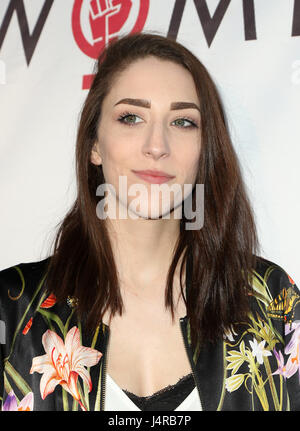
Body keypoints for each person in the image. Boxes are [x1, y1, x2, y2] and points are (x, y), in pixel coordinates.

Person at [0, 32, 299, 412]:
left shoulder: (272, 302)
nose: (157, 145)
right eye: (131, 117)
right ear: (94, 144)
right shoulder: (12, 309)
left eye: (183, 122)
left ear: (205, 148)